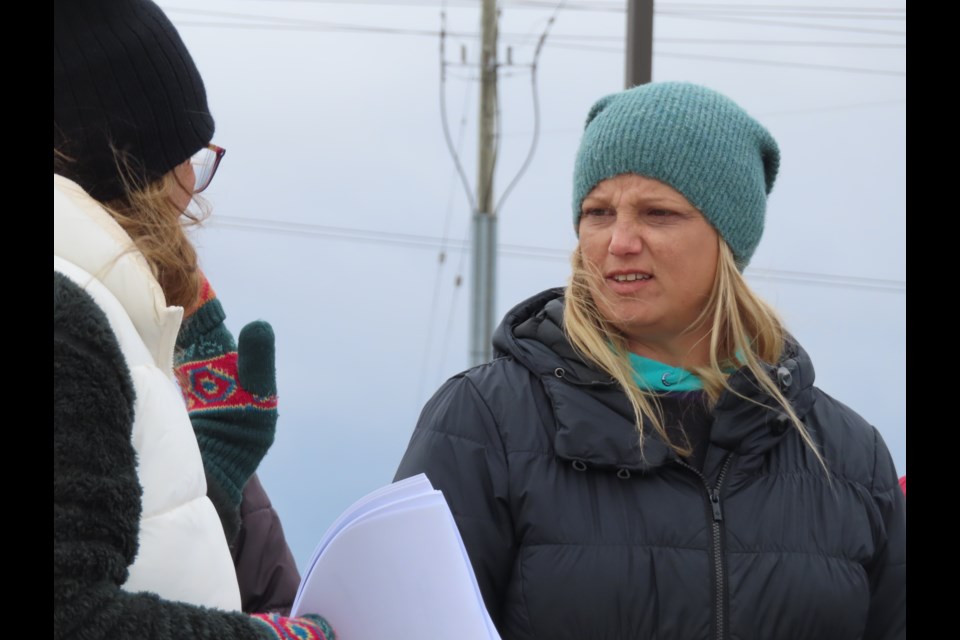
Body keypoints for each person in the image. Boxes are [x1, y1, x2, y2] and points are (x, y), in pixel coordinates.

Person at [394, 82, 906, 640]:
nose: (619, 241)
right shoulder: (485, 423)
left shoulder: (850, 460)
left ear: (727, 240)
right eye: (598, 212)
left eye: (657, 213)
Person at [53, 1, 332, 638]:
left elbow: (123, 561)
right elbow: (71, 613)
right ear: (126, 165)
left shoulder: (107, 318)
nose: (192, 187)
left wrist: (209, 483)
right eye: (184, 155)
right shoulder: (68, 323)